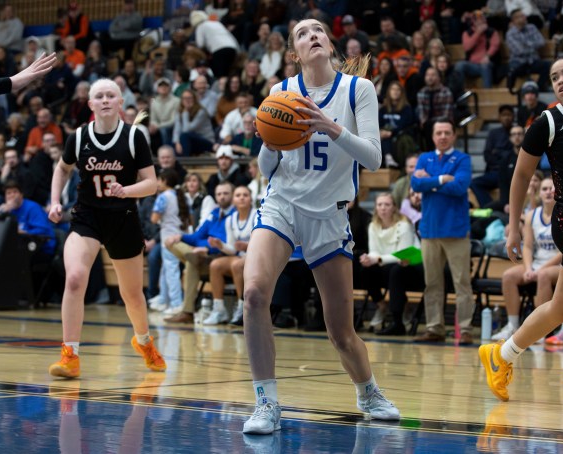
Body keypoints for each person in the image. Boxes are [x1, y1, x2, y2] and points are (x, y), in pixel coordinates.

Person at [241, 18, 400, 436]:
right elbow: (266, 166)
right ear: (294, 52)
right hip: (282, 205)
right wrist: (268, 143)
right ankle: (266, 403)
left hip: (328, 214)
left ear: (329, 43)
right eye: (302, 33)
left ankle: (367, 390)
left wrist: (333, 128)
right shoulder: (280, 93)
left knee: (341, 332)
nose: (312, 35)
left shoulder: (357, 90)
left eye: (318, 31)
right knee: (255, 293)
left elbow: (373, 158)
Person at [479, 57, 563, 402]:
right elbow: (521, 176)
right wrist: (513, 228)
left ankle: (501, 355)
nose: (561, 80)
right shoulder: (547, 122)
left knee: (561, 309)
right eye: (554, 77)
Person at [47, 78, 166, 378]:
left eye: (110, 95)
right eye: (98, 96)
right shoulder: (78, 137)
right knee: (74, 278)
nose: (104, 100)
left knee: (132, 296)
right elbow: (62, 168)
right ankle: (70, 355)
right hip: (87, 217)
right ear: (90, 104)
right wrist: (54, 201)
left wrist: (126, 190)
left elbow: (151, 184)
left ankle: (143, 341)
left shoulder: (134, 137)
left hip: (123, 218)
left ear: (119, 101)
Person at [410, 119, 474, 345]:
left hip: (456, 230)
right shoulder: (424, 157)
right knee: (432, 283)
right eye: (439, 133)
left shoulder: (463, 159)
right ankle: (434, 327)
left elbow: (460, 187)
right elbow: (415, 185)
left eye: (447, 132)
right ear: (433, 136)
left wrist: (429, 181)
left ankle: (465, 329)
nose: (443, 136)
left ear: (454, 135)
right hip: (429, 230)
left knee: (462, 282)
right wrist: (440, 180)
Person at [490, 176, 561, 341]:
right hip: (536, 264)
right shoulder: (531, 215)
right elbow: (527, 246)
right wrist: (529, 268)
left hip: (560, 266)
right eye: (544, 189)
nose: (548, 192)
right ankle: (512, 326)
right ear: (539, 194)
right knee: (508, 276)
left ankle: (540, 329)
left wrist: (539, 270)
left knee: (543, 276)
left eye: (552, 188)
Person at [163, 181, 234, 324]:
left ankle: (187, 312)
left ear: (232, 195)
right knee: (170, 241)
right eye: (219, 194)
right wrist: (181, 236)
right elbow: (197, 237)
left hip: (219, 258)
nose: (222, 197)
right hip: (202, 257)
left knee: (191, 262)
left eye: (226, 194)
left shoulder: (235, 214)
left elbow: (225, 243)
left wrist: (207, 248)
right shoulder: (214, 213)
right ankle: (193, 256)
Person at [359, 192, 424, 336]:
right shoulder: (373, 226)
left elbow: (403, 254)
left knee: (395, 271)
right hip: (388, 267)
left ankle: (397, 321)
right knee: (365, 269)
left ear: (394, 207)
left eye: (387, 205)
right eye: (379, 205)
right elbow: (374, 251)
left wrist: (378, 259)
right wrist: (369, 259)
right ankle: (381, 305)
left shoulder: (404, 225)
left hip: (412, 267)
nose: (383, 208)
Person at [207, 186, 256, 325]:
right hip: (240, 257)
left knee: (237, 264)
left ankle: (242, 308)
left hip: (256, 258)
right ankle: (219, 310)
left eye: (245, 195)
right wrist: (220, 245)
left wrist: (247, 246)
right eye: (238, 195)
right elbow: (232, 250)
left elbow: (264, 245)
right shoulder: (230, 219)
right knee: (215, 265)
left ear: (251, 198)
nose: (241, 197)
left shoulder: (258, 215)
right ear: (234, 200)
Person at [150, 169, 190, 316]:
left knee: (171, 270)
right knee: (166, 270)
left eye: (159, 179)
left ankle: (176, 303)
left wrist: (161, 218)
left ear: (165, 181)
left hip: (168, 239)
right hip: (180, 236)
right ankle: (163, 299)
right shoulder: (182, 196)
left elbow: (154, 219)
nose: (158, 183)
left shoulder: (162, 197)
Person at [470, 105, 514, 208]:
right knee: (474, 183)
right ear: (499, 117)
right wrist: (502, 156)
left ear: (513, 116)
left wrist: (498, 152)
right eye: (504, 115)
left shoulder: (516, 132)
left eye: (509, 115)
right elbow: (487, 156)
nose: (506, 118)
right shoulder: (493, 133)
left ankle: (491, 207)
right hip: (494, 172)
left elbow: (513, 156)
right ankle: (489, 206)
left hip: (510, 172)